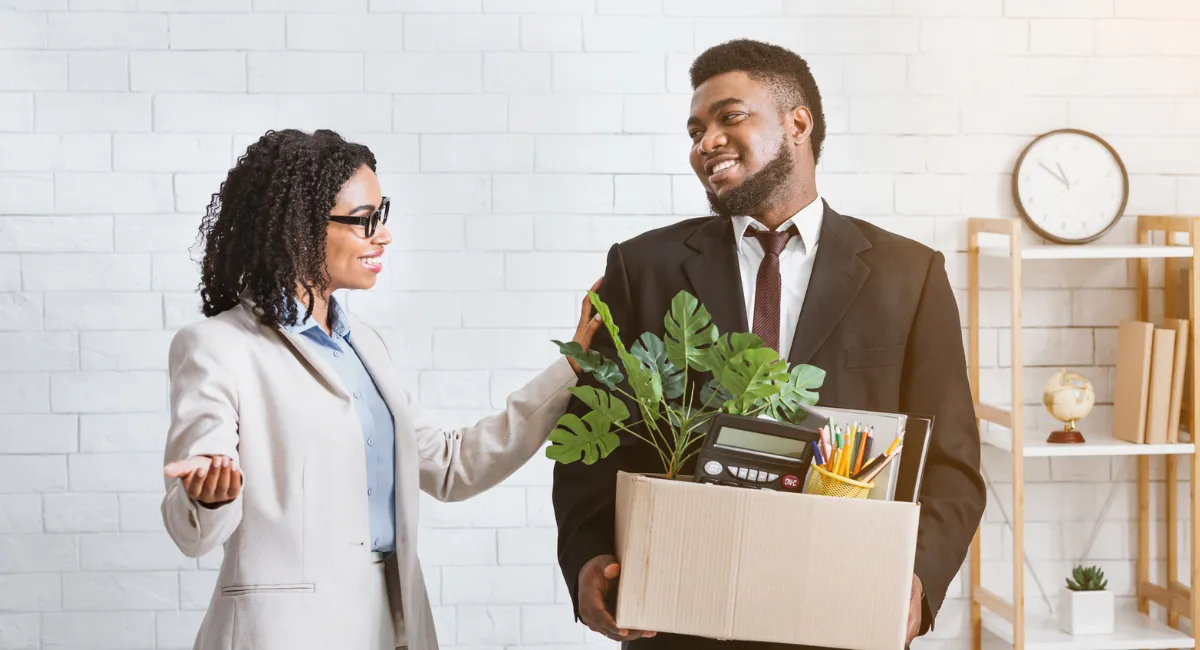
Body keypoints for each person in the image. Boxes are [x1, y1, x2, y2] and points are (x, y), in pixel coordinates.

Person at [551, 39, 986, 649]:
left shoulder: (909, 276)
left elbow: (953, 464)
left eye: (730, 117)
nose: (706, 143)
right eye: (696, 129)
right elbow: (591, 443)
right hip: (677, 619)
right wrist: (588, 559)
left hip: (842, 614)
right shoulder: (642, 267)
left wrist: (919, 581)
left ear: (797, 123)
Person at [160, 128, 603, 650]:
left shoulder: (364, 346)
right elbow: (193, 531)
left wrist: (574, 365)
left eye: (382, 214)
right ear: (298, 228)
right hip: (285, 634)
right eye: (365, 220)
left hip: (391, 626)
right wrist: (211, 495)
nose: (383, 235)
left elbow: (451, 467)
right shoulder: (217, 347)